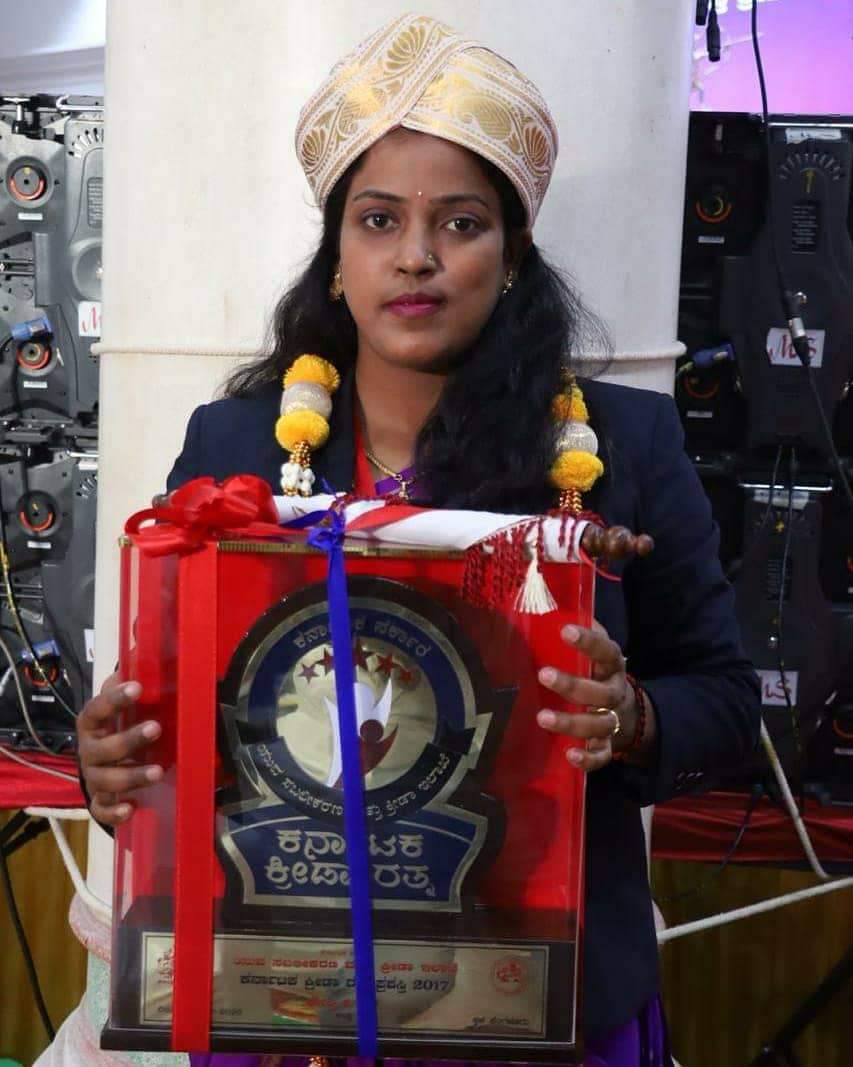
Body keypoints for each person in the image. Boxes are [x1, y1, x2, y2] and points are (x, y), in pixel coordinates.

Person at [76, 13, 761, 1067]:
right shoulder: (238, 443)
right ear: (336, 253)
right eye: (379, 219)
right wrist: (110, 763)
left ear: (514, 250)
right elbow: (164, 707)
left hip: (533, 992)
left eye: (460, 223)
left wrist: (630, 718)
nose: (416, 258)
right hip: (280, 992)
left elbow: (722, 699)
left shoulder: (618, 444)